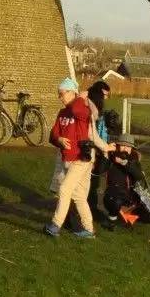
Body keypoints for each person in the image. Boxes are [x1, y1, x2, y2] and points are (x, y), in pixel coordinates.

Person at [44, 77, 111, 239]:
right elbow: (53, 134)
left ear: (72, 92)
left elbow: (77, 112)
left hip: (81, 158)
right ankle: (89, 229)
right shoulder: (62, 112)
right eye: (58, 94)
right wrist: (58, 140)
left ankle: (55, 225)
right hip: (68, 158)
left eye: (62, 93)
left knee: (65, 189)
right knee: (79, 196)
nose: (60, 97)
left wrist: (79, 98)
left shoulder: (82, 107)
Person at [86, 79, 119, 223]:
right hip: (91, 150)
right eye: (104, 95)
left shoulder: (94, 107)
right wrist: (105, 148)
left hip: (96, 149)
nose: (105, 98)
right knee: (91, 183)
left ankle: (90, 208)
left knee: (93, 182)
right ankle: (89, 210)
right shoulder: (91, 108)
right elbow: (93, 134)